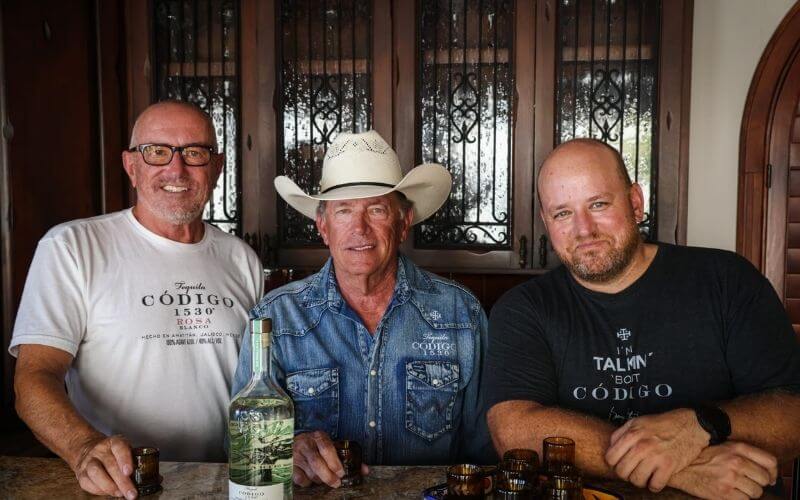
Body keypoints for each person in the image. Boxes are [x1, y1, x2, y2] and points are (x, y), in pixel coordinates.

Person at [485, 138, 800, 499]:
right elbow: (513, 428)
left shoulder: (727, 281)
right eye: (562, 213)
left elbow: (793, 411)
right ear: (546, 221)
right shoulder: (523, 308)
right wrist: (679, 466)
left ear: (636, 203)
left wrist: (700, 424)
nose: (583, 230)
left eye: (599, 204)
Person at [10, 101, 264, 499]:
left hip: (226, 484)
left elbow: (259, 381)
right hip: (121, 486)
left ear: (217, 167)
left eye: (194, 153)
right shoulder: (73, 247)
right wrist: (83, 448)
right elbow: (33, 378)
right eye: (157, 152)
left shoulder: (241, 259)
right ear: (131, 165)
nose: (176, 170)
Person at [232, 130, 495, 488]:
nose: (359, 229)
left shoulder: (460, 314)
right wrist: (283, 451)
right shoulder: (275, 318)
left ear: (403, 223)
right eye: (343, 211)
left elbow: (483, 451)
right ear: (323, 226)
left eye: (376, 209)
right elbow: (247, 452)